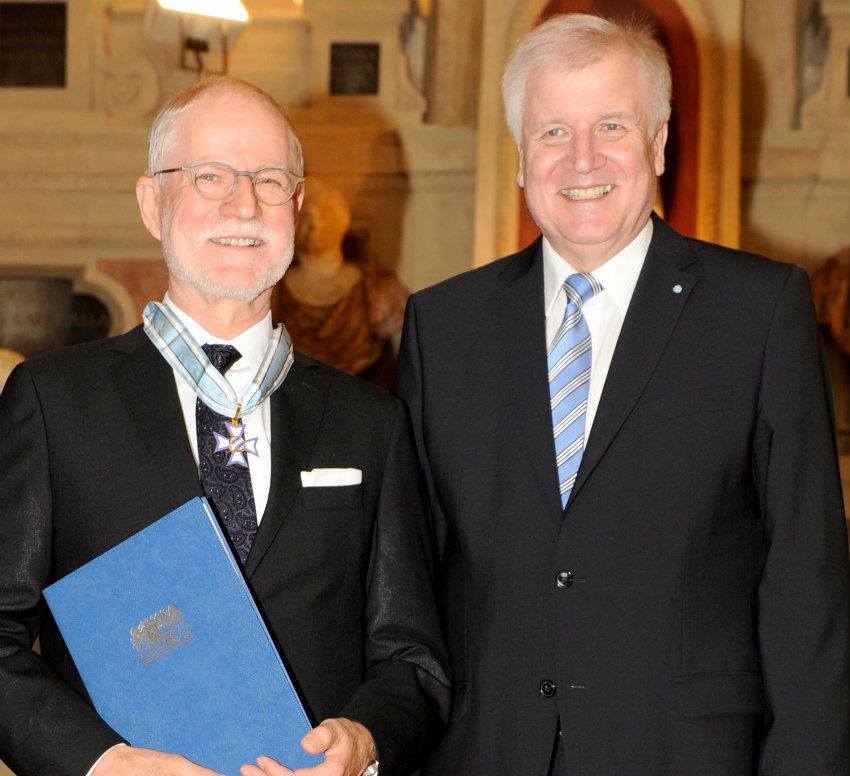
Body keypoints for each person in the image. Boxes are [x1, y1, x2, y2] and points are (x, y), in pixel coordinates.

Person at [393, 13, 850, 776]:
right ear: (519, 156)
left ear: (659, 143)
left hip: (690, 755)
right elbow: (407, 582)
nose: (581, 159)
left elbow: (808, 583)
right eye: (552, 133)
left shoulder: (759, 311)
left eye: (611, 125)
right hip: (485, 755)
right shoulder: (442, 327)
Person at [0, 77, 449, 776]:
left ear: (295, 208)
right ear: (153, 202)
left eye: (270, 180)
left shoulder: (372, 424)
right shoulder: (55, 404)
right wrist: (102, 762)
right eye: (210, 175)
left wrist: (363, 741)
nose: (244, 204)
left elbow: (413, 661)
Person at [272, 178, 408, 389]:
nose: (315, 222)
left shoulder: (379, 286)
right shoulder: (273, 291)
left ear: (344, 220)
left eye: (325, 213)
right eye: (306, 215)